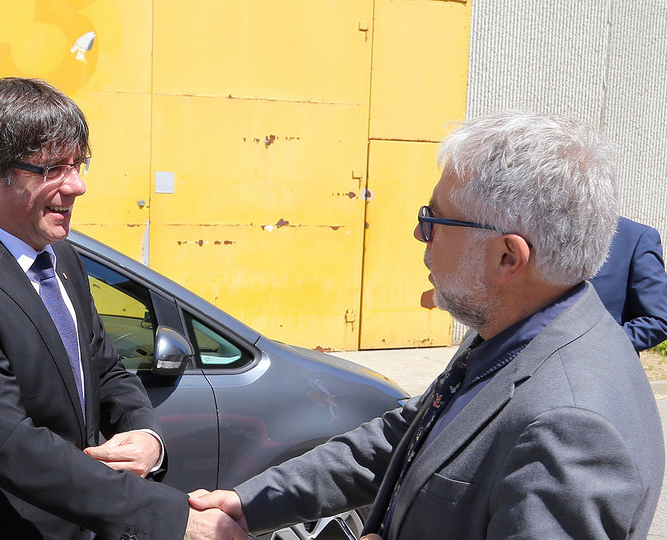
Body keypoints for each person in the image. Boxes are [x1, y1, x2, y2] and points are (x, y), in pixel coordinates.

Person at [190, 111, 665, 539]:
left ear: (507, 257)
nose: (420, 233)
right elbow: (403, 439)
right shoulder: (516, 329)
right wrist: (248, 504)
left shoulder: (570, 427)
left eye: (435, 219)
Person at [0, 77, 245, 540]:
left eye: (78, 164)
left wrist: (146, 436)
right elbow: (10, 443)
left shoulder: (60, 256)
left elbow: (105, 368)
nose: (77, 185)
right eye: (52, 169)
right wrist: (175, 518)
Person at [589, 216, 667, 351]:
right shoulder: (548, 231)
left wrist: (598, 344)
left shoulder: (636, 237)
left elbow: (657, 321)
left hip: (602, 359)